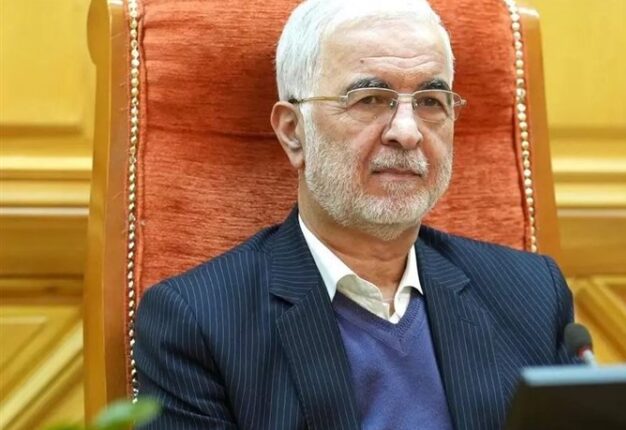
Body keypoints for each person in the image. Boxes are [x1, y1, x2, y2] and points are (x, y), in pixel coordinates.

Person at [134, 0, 577, 429]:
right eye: (370, 99)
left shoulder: (532, 294)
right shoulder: (199, 323)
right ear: (293, 132)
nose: (407, 132)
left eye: (430, 101)